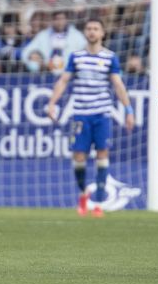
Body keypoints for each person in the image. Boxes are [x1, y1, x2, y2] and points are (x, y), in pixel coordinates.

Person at [46, 19, 135, 217]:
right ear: (85, 32)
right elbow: (63, 81)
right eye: (89, 29)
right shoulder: (76, 57)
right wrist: (52, 103)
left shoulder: (110, 57)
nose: (92, 32)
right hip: (81, 115)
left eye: (96, 28)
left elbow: (118, 85)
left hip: (102, 114)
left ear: (103, 33)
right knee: (79, 157)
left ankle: (99, 202)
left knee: (102, 154)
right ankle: (83, 195)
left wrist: (128, 110)